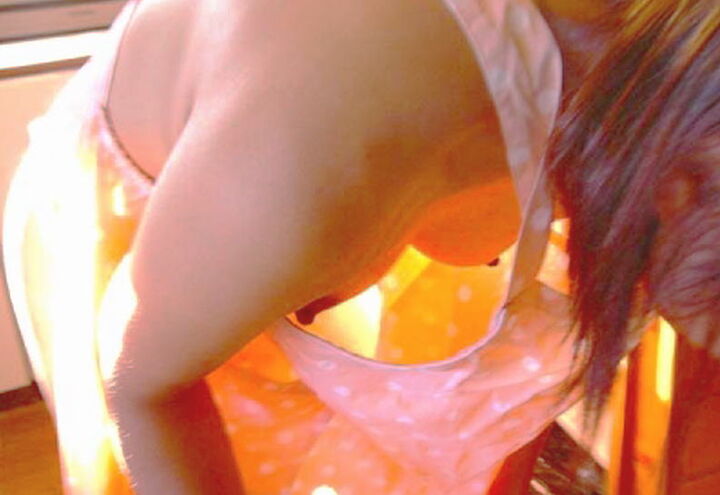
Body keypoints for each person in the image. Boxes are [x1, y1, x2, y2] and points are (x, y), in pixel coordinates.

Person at [4, 0, 718, 494]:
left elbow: (508, 400)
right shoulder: (317, 153)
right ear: (680, 190)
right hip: (155, 260)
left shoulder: (656, 98)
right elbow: (140, 380)